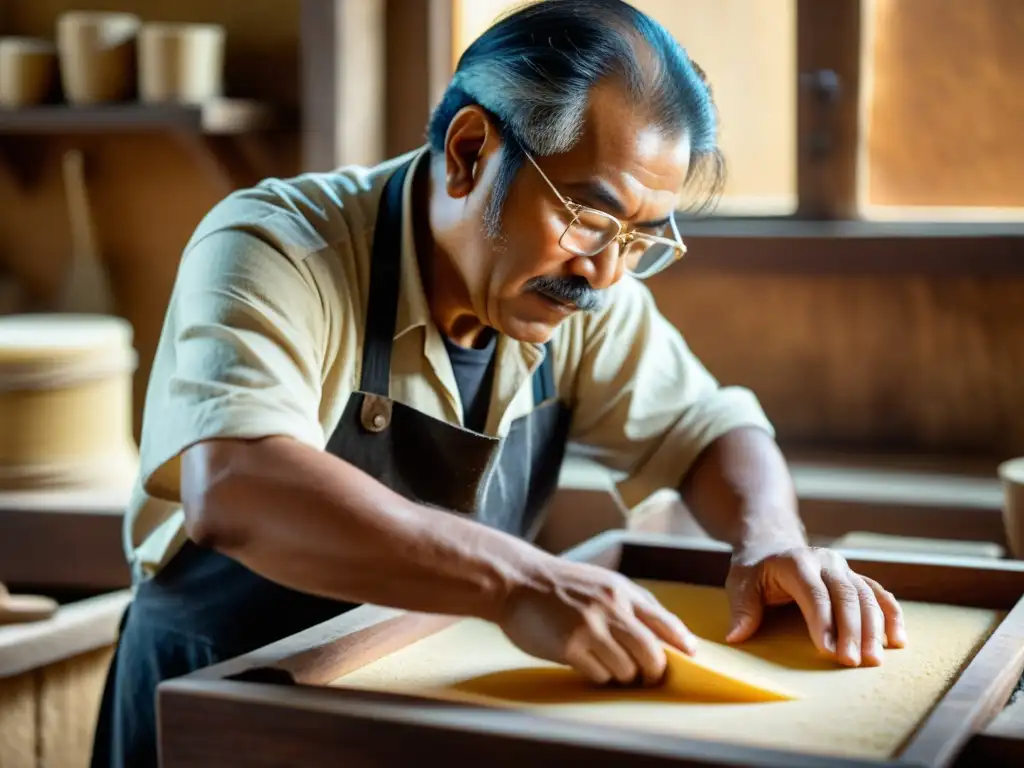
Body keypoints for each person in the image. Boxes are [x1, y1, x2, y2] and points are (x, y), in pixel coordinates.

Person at [90, 1, 906, 765]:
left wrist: (770, 537)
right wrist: (518, 580)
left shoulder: (582, 288)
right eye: (588, 219)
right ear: (470, 152)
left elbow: (705, 426)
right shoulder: (275, 247)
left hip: (411, 702)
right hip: (212, 707)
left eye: (641, 239)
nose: (606, 273)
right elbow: (236, 483)